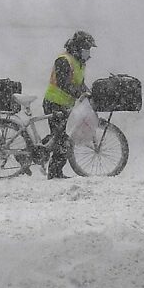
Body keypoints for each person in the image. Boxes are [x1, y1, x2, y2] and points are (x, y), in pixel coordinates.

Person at [40, 30, 94, 179]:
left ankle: (42, 152)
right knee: (62, 139)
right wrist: (79, 94)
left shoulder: (79, 63)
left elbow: (80, 84)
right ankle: (54, 172)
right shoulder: (64, 60)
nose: (88, 52)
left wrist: (89, 94)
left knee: (59, 135)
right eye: (86, 48)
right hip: (54, 103)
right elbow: (63, 83)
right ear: (78, 47)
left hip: (65, 104)